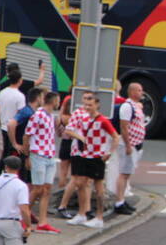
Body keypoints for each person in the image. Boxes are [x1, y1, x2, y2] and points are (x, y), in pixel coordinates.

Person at [63, 92, 118, 229]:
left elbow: (115, 136)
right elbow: (73, 131)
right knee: (81, 183)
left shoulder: (103, 121)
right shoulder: (84, 119)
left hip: (97, 156)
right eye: (86, 105)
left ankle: (99, 217)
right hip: (85, 155)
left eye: (90, 105)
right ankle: (82, 214)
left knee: (98, 186)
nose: (87, 107)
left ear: (97, 105)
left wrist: (109, 152)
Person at [24, 91, 61, 234]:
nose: (59, 103)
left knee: (46, 189)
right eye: (58, 100)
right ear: (54, 101)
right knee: (38, 188)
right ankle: (24, 216)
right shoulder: (38, 115)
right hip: (38, 154)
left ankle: (43, 221)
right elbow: (27, 135)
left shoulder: (51, 116)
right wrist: (27, 156)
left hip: (50, 155)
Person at [56, 90, 92, 220]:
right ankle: (62, 206)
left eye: (90, 98)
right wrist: (81, 138)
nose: (87, 101)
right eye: (85, 98)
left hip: (90, 152)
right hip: (78, 151)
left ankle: (87, 209)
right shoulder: (78, 113)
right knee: (75, 179)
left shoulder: (94, 114)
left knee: (87, 181)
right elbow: (69, 130)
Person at [114, 82, 146, 215]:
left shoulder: (135, 106)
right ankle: (119, 202)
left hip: (135, 144)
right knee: (123, 173)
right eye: (139, 90)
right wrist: (128, 145)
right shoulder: (127, 107)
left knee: (127, 174)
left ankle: (122, 200)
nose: (141, 93)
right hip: (129, 145)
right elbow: (124, 127)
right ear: (132, 92)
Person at [0, 66, 26, 177]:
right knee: (13, 153)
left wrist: (0, 119)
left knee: (6, 152)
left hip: (4, 127)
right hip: (15, 129)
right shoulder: (20, 96)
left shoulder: (2, 92)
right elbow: (21, 114)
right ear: (20, 80)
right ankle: (5, 175)